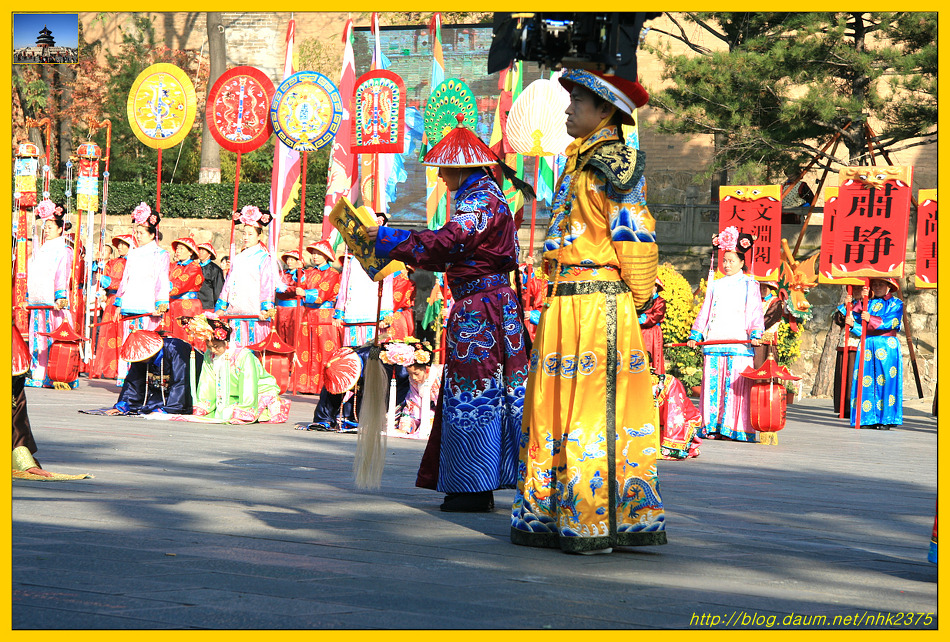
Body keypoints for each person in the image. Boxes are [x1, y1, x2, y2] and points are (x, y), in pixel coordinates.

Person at [509, 69, 666, 553]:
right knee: (552, 407)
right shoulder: (579, 163)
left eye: (577, 101)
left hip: (597, 303)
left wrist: (638, 296)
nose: (567, 109)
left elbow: (635, 237)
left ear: (606, 112)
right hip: (567, 302)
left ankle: (593, 515)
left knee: (592, 410)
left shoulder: (613, 164)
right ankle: (553, 513)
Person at [369, 114, 531, 513]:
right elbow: (456, 252)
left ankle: (474, 486)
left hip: (483, 312)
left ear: (461, 168)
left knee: (474, 395)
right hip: (487, 306)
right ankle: (479, 482)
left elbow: (451, 241)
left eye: (444, 168)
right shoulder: (483, 196)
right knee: (487, 394)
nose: (440, 175)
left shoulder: (481, 200)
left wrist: (390, 239)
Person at [688, 226, 764, 442]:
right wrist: (697, 335)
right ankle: (712, 426)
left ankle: (733, 427)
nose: (727, 264)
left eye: (732, 260)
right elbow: (706, 310)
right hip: (714, 341)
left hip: (738, 343)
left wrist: (756, 332)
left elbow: (754, 311)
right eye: (725, 260)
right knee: (713, 387)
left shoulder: (750, 284)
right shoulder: (716, 284)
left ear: (742, 262)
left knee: (734, 388)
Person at [190, 315, 290, 424]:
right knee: (218, 411)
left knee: (232, 412)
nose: (213, 350)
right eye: (209, 347)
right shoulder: (209, 355)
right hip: (229, 394)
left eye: (216, 346)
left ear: (226, 342)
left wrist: (244, 408)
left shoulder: (243, 356)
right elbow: (207, 381)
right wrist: (205, 404)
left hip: (257, 391)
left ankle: (246, 408)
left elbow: (249, 383)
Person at [114, 203, 170, 386]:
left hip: (147, 305)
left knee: (146, 343)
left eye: (142, 233)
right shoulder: (133, 254)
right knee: (128, 341)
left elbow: (162, 279)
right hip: (130, 304)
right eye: (137, 233)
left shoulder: (160, 254)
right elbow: (125, 280)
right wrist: (118, 303)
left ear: (153, 234)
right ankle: (127, 380)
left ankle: (146, 380)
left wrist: (160, 303)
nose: (138, 236)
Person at [836, 278, 904, 429]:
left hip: (886, 346)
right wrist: (853, 306)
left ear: (889, 287)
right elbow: (853, 317)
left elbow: (892, 322)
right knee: (865, 380)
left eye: (881, 284)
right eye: (875, 284)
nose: (877, 287)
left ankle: (886, 418)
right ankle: (866, 418)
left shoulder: (896, 303)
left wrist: (871, 318)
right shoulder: (868, 302)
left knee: (886, 381)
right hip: (867, 344)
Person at [25, 199, 74, 388]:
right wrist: (30, 296)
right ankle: (38, 372)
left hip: (54, 301)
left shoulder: (63, 249)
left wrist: (60, 296)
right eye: (45, 226)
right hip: (39, 298)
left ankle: (54, 373)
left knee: (53, 336)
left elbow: (63, 274)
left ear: (61, 228)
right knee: (37, 336)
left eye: (51, 226)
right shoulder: (43, 248)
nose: (46, 229)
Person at [215, 206, 281, 347]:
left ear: (259, 236)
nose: (245, 237)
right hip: (236, 312)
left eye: (250, 234)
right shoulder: (238, 258)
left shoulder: (264, 258)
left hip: (255, 313)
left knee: (253, 351)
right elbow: (228, 284)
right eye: (244, 233)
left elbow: (267, 285)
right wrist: (222, 305)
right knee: (234, 351)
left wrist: (266, 308)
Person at [104, 330, 201, 416]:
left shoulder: (175, 348)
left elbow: (181, 380)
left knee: (173, 402)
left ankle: (172, 405)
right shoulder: (141, 358)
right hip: (161, 392)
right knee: (148, 407)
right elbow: (134, 382)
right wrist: (123, 406)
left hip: (188, 390)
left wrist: (170, 409)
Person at [293, 240, 343, 395]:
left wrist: (306, 294)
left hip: (324, 316)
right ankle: (305, 385)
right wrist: (298, 271)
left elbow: (323, 292)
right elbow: (297, 282)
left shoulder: (333, 274)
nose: (315, 256)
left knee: (324, 350)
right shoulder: (309, 272)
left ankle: (325, 385)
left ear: (326, 256)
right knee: (306, 349)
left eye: (319, 253)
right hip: (308, 315)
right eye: (313, 253)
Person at [90, 234, 132, 379]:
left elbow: (124, 282)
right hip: (111, 300)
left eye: (123, 244)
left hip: (125, 299)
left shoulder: (133, 262)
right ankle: (106, 368)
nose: (119, 247)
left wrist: (106, 280)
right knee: (107, 332)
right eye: (119, 244)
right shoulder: (114, 262)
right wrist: (98, 267)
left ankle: (121, 369)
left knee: (121, 334)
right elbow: (102, 273)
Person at [166, 237, 205, 343]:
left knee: (187, 337)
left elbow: (181, 284)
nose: (178, 251)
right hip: (173, 304)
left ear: (190, 252)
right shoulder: (173, 266)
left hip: (187, 307)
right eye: (177, 248)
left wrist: (164, 288)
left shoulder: (194, 267)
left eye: (181, 248)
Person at [275, 249, 304, 348]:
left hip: (294, 309)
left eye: (292, 260)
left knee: (294, 335)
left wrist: (287, 289)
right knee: (280, 334)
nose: (289, 262)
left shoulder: (301, 274)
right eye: (288, 259)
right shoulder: (281, 273)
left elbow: (300, 287)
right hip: (281, 308)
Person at [639, 278, 668, 374]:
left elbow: (656, 316)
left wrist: (641, 318)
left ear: (656, 287)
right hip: (640, 331)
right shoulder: (641, 301)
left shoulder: (660, 301)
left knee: (653, 354)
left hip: (653, 332)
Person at [754, 280, 783, 368]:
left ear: (770, 289)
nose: (762, 290)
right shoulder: (755, 301)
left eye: (764, 288)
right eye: (760, 288)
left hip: (767, 341)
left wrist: (755, 329)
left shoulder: (775, 302)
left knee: (764, 366)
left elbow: (769, 319)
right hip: (753, 340)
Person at [196, 242, 225, 313]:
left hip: (208, 305)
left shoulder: (215, 269)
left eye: (203, 250)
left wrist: (217, 307)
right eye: (199, 250)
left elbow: (218, 288)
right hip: (195, 304)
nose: (200, 252)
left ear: (209, 254)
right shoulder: (195, 267)